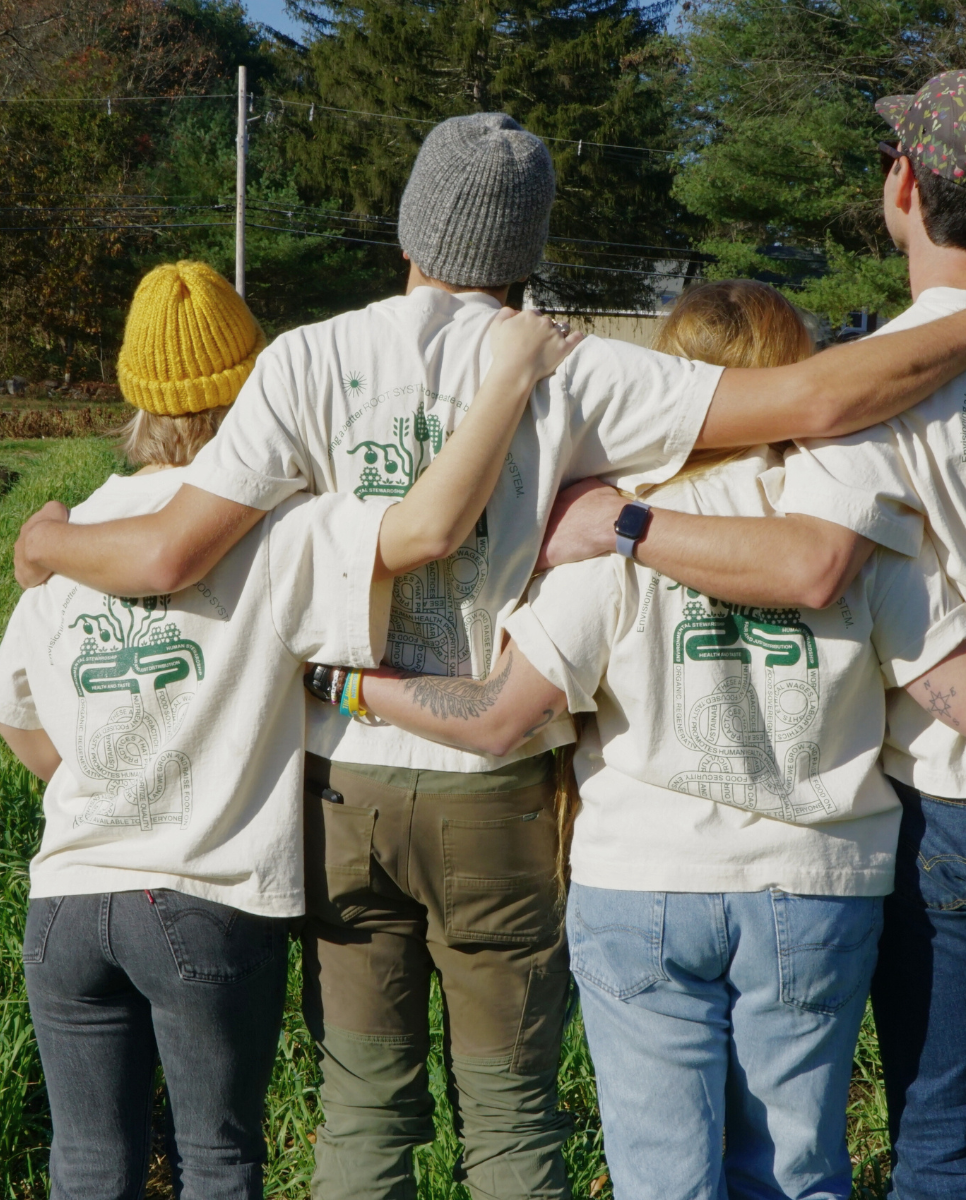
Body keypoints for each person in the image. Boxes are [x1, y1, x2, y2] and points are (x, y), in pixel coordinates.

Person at [10, 113, 966, 1200]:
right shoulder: (577, 373)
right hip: (499, 788)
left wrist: (46, 541)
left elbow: (172, 550)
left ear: (410, 232)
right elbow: (815, 395)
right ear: (527, 253)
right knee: (514, 1113)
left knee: (362, 1107)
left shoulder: (306, 361)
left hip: (346, 785)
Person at [310, 280, 966, 1200]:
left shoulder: (606, 528)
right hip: (816, 886)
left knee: (663, 1181)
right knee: (795, 1175)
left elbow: (495, 717)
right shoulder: (857, 532)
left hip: (643, 884)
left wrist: (345, 681)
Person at [535, 71, 966, 1200]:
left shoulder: (878, 379)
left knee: (943, 1129)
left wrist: (624, 520)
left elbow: (813, 563)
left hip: (956, 801)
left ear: (903, 186)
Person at [0, 260, 578, 1200]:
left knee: (89, 1165)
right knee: (217, 1162)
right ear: (258, 382)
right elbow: (427, 526)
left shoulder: (74, 537)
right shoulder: (282, 534)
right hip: (206, 898)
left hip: (65, 903)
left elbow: (24, 730)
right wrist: (511, 379)